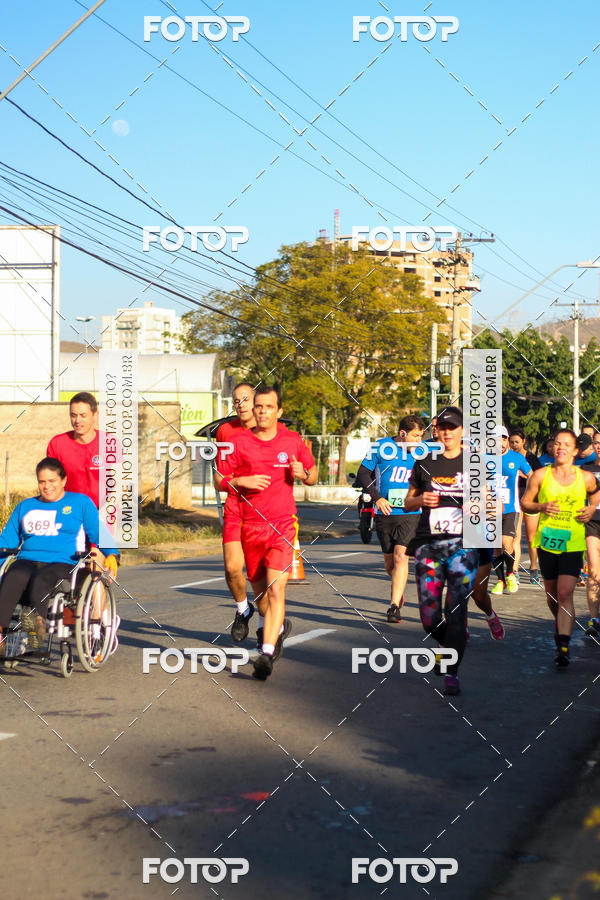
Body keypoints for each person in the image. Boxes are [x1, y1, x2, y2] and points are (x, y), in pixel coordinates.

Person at [219, 387, 317, 681]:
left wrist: (303, 474)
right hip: (249, 527)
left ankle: (267, 652)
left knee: (277, 589)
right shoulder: (239, 442)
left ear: (279, 411)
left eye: (268, 406)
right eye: (258, 406)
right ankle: (276, 627)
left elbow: (312, 475)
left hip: (283, 525)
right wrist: (241, 480)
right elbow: (221, 480)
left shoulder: (292, 440)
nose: (262, 411)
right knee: (262, 597)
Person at [0, 458, 119, 657]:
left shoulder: (79, 503)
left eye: (52, 481)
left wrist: (112, 554)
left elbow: (99, 532)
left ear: (63, 480)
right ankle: (0, 636)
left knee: (42, 578)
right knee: (14, 575)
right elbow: (6, 541)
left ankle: (35, 626)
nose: (46, 486)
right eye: (42, 482)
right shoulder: (25, 506)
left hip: (64, 562)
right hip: (28, 558)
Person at [404, 405, 479, 696]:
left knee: (456, 611)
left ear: (462, 431)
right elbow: (408, 502)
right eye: (442, 428)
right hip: (428, 544)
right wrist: (421, 498)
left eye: (452, 427)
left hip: (464, 546)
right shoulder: (425, 461)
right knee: (429, 618)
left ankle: (451, 671)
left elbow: (493, 506)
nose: (446, 432)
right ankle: (452, 643)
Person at [521, 430, 599, 668]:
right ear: (553, 447)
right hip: (547, 541)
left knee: (565, 593)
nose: (561, 447)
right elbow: (526, 502)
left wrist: (590, 510)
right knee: (553, 596)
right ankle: (561, 624)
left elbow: (596, 495)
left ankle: (563, 645)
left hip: (573, 542)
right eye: (558, 443)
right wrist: (541, 506)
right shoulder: (540, 476)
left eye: (567, 444)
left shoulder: (585, 477)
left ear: (575, 451)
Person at [356, 415, 425, 623]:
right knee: (389, 563)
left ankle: (394, 606)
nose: (419, 441)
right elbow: (363, 473)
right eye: (415, 436)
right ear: (402, 434)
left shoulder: (422, 453)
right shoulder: (381, 447)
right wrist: (377, 499)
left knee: (400, 557)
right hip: (385, 512)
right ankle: (398, 586)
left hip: (410, 512)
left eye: (421, 436)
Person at [213, 383, 257, 642]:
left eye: (245, 399)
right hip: (235, 508)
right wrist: (238, 482)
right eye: (236, 400)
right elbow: (219, 479)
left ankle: (271, 626)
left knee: (260, 574)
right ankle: (243, 609)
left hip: (265, 511)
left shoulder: (270, 431)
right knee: (232, 569)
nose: (240, 404)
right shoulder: (225, 431)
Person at [491, 427, 532, 595]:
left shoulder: (516, 458)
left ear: (506, 440)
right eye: (496, 439)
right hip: (490, 510)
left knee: (506, 542)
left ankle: (510, 574)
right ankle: (500, 581)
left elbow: (532, 476)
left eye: (503, 439)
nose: (500, 442)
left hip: (510, 508)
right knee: (494, 547)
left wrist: (527, 496)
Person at [47, 392, 102, 509]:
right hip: (68, 512)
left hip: (103, 513)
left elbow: (118, 484)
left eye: (83, 415)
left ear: (95, 415)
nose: (77, 420)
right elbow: (51, 482)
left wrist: (108, 510)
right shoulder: (57, 444)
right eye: (73, 415)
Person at [509, 429, 542, 583]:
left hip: (530, 498)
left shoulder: (531, 458)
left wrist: (526, 475)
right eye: (511, 442)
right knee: (515, 535)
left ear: (523, 441)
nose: (514, 445)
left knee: (530, 537)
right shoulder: (507, 457)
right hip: (513, 499)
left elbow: (538, 476)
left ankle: (534, 568)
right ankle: (513, 570)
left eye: (517, 442)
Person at [582, 430, 600, 636]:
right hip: (592, 524)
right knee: (594, 570)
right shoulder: (586, 470)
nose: (599, 446)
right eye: (596, 443)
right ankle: (594, 619)